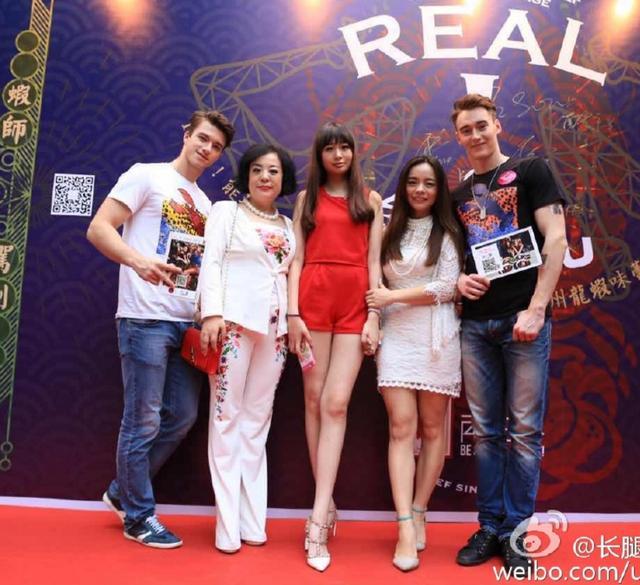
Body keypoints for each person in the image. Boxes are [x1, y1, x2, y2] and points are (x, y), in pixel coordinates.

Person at [87, 109, 235, 548]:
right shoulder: (146, 175)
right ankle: (138, 517)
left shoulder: (205, 204)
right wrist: (138, 261)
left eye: (216, 146)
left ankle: (122, 492)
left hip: (185, 323)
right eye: (203, 138)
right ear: (187, 135)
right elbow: (99, 229)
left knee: (182, 417)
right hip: (144, 317)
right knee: (142, 420)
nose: (207, 149)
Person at [450, 94, 567, 570]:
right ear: (457, 137)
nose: (475, 135)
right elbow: (454, 259)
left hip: (524, 322)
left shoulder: (531, 171)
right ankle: (489, 527)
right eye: (466, 129)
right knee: (485, 434)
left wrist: (536, 310)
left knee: (524, 432)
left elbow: (556, 238)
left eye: (481, 125)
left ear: (497, 125)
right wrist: (459, 281)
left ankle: (517, 532)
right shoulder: (458, 195)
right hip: (475, 326)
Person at [287, 122, 383, 572]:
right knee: (314, 399)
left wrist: (375, 316)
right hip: (312, 300)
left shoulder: (371, 201)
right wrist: (293, 314)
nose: (339, 155)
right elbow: (297, 260)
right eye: (331, 148)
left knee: (336, 403)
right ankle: (324, 506)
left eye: (345, 147)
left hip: (354, 302)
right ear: (320, 155)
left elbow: (374, 263)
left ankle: (317, 516)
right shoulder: (306, 200)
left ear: (354, 152)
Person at [365, 155, 464, 572]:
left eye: (429, 183)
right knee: (401, 429)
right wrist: (377, 312)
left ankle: (421, 508)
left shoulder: (449, 232)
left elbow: (447, 287)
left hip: (436, 338)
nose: (420, 190)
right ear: (403, 188)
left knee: (432, 429)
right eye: (413, 182)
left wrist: (392, 297)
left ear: (439, 190)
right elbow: (374, 280)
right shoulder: (390, 231)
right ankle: (404, 524)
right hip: (397, 339)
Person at [199, 143, 297, 553]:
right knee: (226, 420)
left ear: (283, 178)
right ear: (246, 175)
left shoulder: (289, 224)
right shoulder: (227, 212)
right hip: (233, 326)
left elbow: (290, 276)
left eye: (273, 171)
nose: (264, 177)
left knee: (257, 423)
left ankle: (253, 523)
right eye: (257, 169)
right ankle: (227, 527)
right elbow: (212, 262)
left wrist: (291, 321)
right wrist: (211, 313)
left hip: (275, 333)